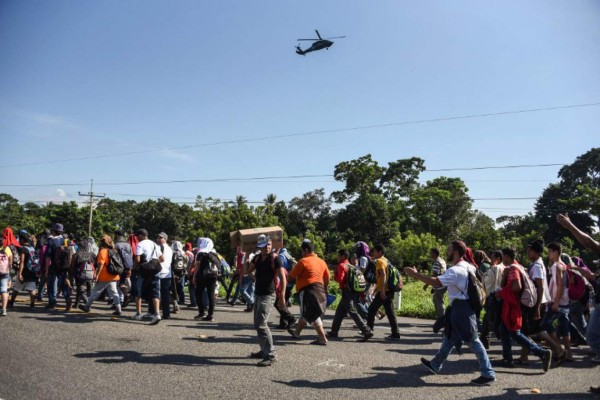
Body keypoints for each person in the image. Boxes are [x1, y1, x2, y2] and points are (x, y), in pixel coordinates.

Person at [405, 240, 496, 386]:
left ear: (455, 252)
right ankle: (435, 364)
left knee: (473, 341)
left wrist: (415, 274)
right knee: (449, 336)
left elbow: (436, 282)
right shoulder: (469, 266)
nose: (446, 251)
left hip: (461, 309)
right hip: (463, 307)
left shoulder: (455, 270)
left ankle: (488, 372)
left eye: (448, 249)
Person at [497, 248, 552, 372]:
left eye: (503, 257)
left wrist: (502, 293)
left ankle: (542, 352)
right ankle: (508, 358)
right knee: (504, 329)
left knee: (515, 333)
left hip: (513, 306)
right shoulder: (518, 267)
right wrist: (504, 276)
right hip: (512, 305)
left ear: (506, 256)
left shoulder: (513, 268)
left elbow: (517, 287)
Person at [557, 213, 600, 371]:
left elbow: (589, 242)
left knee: (592, 334)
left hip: (581, 301)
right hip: (594, 300)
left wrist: (570, 226)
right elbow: (593, 276)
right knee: (590, 333)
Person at [246, 235, 288, 367]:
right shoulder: (257, 258)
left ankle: (271, 354)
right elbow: (247, 271)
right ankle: (264, 350)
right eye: (265, 245)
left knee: (262, 324)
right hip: (258, 294)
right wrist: (246, 255)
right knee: (257, 324)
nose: (267, 247)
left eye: (269, 244)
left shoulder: (275, 259)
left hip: (268, 295)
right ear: (260, 247)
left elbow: (283, 277)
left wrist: (282, 296)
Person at [288, 240, 330, 346]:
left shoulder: (303, 261)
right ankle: (297, 333)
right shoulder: (321, 261)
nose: (301, 254)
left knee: (312, 314)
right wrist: (325, 288)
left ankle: (322, 337)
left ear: (306, 250)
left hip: (308, 291)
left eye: (302, 251)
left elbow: (291, 276)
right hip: (320, 290)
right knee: (305, 314)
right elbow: (327, 277)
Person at [328, 249, 373, 340]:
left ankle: (367, 331)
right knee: (339, 311)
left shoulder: (341, 266)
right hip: (353, 291)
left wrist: (335, 276)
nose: (337, 257)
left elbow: (340, 279)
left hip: (346, 291)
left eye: (338, 255)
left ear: (343, 256)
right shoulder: (351, 266)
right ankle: (334, 331)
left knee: (352, 312)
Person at [541, 242, 572, 362]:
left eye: (550, 251)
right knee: (565, 327)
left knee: (545, 324)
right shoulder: (563, 265)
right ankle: (569, 353)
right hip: (566, 301)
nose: (548, 254)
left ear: (556, 252)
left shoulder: (555, 266)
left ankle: (559, 349)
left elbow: (559, 285)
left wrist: (555, 302)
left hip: (557, 301)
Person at [78, 235, 122, 316]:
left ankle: (87, 307)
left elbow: (101, 264)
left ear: (102, 243)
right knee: (115, 292)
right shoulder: (114, 250)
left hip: (104, 276)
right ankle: (118, 309)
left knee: (95, 292)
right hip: (114, 275)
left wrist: (97, 275)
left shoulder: (103, 251)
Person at [365, 244, 400, 340]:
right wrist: (377, 289)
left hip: (385, 291)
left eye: (375, 251)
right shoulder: (386, 260)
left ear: (380, 252)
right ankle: (395, 333)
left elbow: (383, 275)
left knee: (371, 309)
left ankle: (369, 331)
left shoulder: (379, 261)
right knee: (390, 312)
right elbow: (382, 277)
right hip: (389, 290)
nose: (373, 253)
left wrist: (382, 291)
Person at [131, 229, 163, 325]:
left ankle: (138, 314)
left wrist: (144, 265)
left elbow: (137, 259)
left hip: (144, 272)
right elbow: (162, 259)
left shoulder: (140, 244)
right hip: (155, 271)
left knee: (138, 291)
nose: (136, 238)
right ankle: (157, 314)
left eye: (137, 236)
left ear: (141, 235)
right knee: (155, 292)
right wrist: (153, 264)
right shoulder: (154, 244)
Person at [44, 223, 73, 311]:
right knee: (63, 283)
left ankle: (52, 303)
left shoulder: (50, 240)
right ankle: (67, 298)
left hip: (53, 265)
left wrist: (46, 269)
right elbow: (71, 254)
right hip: (63, 265)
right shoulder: (66, 240)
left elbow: (48, 257)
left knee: (52, 284)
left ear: (53, 230)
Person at [480, 250, 505, 349]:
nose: (491, 259)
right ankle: (485, 340)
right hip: (499, 297)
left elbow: (489, 282)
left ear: (498, 259)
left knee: (492, 320)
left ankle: (486, 339)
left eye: (493, 257)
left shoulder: (495, 268)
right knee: (487, 319)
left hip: (493, 298)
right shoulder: (504, 268)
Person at [8, 233, 38, 309]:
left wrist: (20, 273)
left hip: (25, 271)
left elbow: (22, 262)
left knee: (16, 288)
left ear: (22, 240)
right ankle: (32, 304)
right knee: (32, 288)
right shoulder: (32, 248)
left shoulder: (23, 249)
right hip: (32, 270)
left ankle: (11, 302)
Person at [193, 238, 220, 322]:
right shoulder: (214, 253)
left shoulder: (201, 253)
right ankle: (210, 315)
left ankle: (201, 312)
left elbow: (197, 266)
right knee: (211, 295)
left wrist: (194, 277)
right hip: (213, 276)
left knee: (198, 293)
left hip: (202, 276)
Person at [424, 247, 447, 325]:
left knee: (438, 301)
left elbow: (435, 275)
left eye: (431, 253)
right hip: (443, 284)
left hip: (439, 285)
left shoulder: (436, 262)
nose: (430, 254)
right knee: (437, 300)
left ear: (434, 253)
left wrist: (427, 284)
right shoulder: (442, 260)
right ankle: (441, 317)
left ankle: (442, 319)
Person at [71, 238, 95, 308]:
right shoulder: (91, 254)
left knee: (81, 290)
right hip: (90, 274)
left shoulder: (76, 255)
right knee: (81, 290)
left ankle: (87, 304)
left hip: (80, 274)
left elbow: (72, 265)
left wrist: (71, 272)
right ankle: (76, 304)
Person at [156, 232, 173, 320]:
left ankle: (155, 312)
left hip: (160, 273)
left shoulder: (160, 247)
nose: (158, 239)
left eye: (160, 238)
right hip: (167, 274)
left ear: (165, 239)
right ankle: (166, 314)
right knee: (165, 294)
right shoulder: (170, 249)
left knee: (156, 294)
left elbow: (160, 259)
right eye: (158, 237)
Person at [114, 230, 134, 308]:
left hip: (119, 266)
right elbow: (131, 255)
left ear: (117, 235)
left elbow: (114, 256)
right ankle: (124, 298)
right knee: (121, 283)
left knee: (119, 284)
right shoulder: (128, 245)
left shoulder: (116, 244)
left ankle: (123, 298)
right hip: (127, 265)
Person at [0, 237, 14, 316]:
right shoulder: (7, 248)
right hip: (4, 272)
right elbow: (10, 260)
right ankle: (4, 309)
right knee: (4, 290)